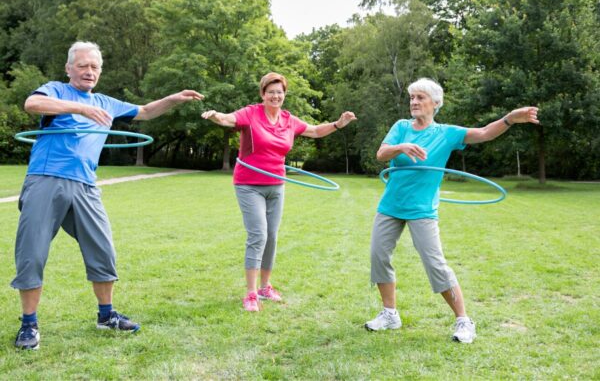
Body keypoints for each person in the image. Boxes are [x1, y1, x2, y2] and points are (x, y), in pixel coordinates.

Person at [12, 41, 204, 350]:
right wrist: (81, 107)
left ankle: (106, 316)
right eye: (83, 65)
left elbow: (143, 112)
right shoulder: (56, 91)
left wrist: (172, 99)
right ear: (69, 68)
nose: (89, 71)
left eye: (95, 67)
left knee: (103, 250)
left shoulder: (106, 102)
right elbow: (32, 104)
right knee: (32, 253)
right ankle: (29, 324)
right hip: (47, 179)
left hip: (86, 185)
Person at [365, 78, 538, 343]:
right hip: (391, 205)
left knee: (435, 264)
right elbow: (381, 154)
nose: (414, 102)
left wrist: (510, 119)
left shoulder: (446, 133)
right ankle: (390, 314)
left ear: (435, 103)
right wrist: (401, 147)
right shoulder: (401, 127)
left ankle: (464, 321)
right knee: (378, 256)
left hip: (422, 209)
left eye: (420, 97)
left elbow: (484, 133)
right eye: (412, 98)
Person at [202, 72, 356, 312]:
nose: (275, 96)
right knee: (258, 235)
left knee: (272, 236)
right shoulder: (250, 114)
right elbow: (229, 119)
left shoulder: (288, 120)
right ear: (263, 94)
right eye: (271, 91)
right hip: (249, 184)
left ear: (284, 95)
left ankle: (265, 287)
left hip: (276, 185)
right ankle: (251, 294)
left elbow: (314, 131)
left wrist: (338, 124)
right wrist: (216, 117)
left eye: (279, 92)